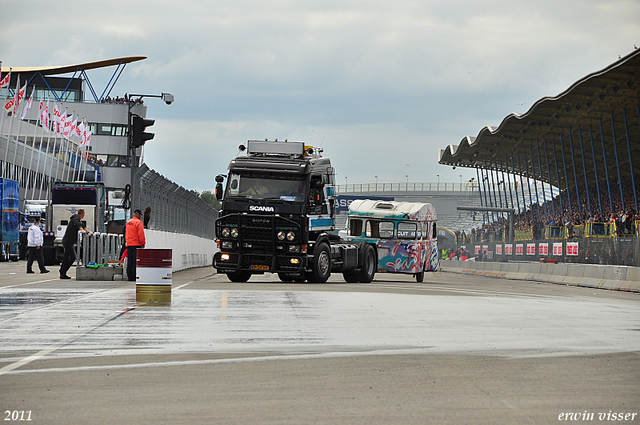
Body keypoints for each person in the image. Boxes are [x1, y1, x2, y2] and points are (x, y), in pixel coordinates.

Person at [59, 208, 88, 279]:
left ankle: (63, 272)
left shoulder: (77, 219)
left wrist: (85, 229)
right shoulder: (75, 218)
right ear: (83, 214)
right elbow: (77, 223)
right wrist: (80, 228)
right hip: (68, 241)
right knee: (73, 257)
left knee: (66, 257)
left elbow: (81, 224)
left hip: (68, 241)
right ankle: (63, 271)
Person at [125, 209, 146, 282]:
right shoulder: (139, 223)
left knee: (129, 261)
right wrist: (143, 243)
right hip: (136, 244)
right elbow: (141, 234)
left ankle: (129, 276)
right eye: (140, 215)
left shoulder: (128, 223)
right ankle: (134, 276)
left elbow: (126, 234)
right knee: (135, 261)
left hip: (129, 244)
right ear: (139, 215)